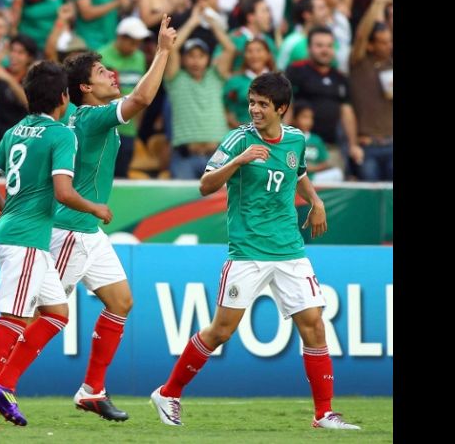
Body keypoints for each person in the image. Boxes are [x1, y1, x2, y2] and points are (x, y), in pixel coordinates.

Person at [0, 14, 177, 423]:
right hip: (71, 229)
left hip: (86, 232)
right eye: (101, 71)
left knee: (120, 301)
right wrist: (162, 51)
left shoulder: (82, 113)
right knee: (46, 316)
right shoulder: (90, 117)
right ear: (85, 89)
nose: (112, 73)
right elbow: (142, 101)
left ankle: (92, 390)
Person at [149, 72, 360, 431]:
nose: (255, 110)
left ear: (281, 108)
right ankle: (168, 393)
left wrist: (316, 201)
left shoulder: (295, 139)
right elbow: (205, 185)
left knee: (314, 327)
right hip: (247, 251)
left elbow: (299, 172)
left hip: (290, 250)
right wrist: (239, 161)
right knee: (220, 331)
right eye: (251, 102)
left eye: (263, 104)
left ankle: (323, 414)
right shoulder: (237, 140)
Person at [0, 61, 113, 427]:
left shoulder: (15, 131)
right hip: (26, 240)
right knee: (12, 320)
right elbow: (64, 192)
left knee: (57, 313)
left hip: (20, 235)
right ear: (63, 97)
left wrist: (9, 209)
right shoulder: (62, 134)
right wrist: (95, 208)